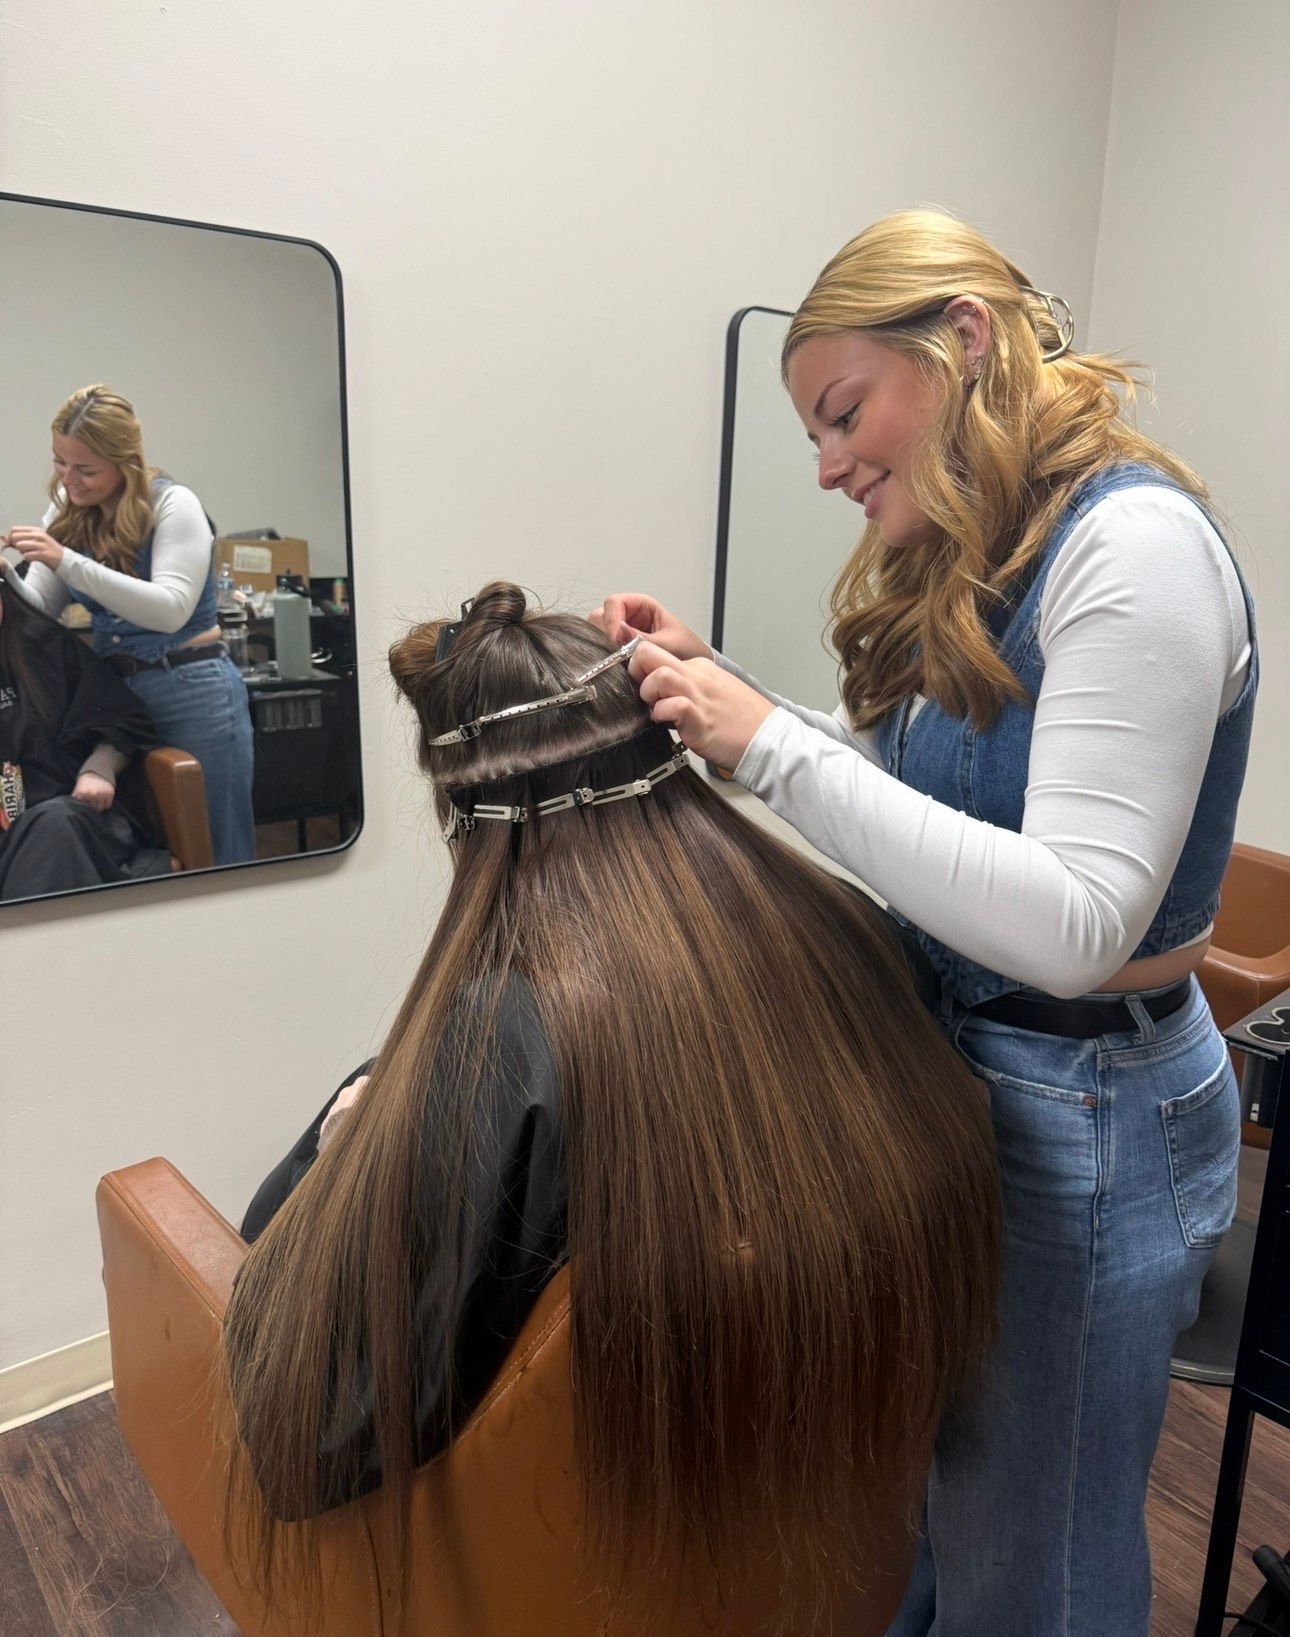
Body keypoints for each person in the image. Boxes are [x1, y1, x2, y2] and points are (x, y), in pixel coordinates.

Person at [593, 208, 1259, 1637]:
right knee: (945, 1500)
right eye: (814, 437)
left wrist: (766, 741)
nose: (828, 465)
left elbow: (1079, 920)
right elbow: (923, 782)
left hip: (1090, 1111)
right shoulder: (979, 553)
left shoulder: (1132, 551)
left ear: (960, 340)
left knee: (1036, 1558)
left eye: (842, 414)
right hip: (956, 1074)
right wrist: (734, 689)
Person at [220, 582, 1001, 1635]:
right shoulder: (837, 923)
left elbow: (312, 1433)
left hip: (569, 1560)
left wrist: (342, 1146)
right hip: (821, 1550)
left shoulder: (503, 1042)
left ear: (467, 811)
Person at [2, 384, 255, 866]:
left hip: (191, 691)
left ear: (126, 461)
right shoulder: (67, 509)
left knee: (216, 846)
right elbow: (38, 607)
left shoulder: (173, 505)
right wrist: (7, 575)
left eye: (86, 469)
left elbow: (170, 609)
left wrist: (65, 560)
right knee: (141, 844)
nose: (68, 481)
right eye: (60, 462)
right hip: (115, 699)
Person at [0, 568, 169, 900]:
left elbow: (122, 718)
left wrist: (100, 767)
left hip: (66, 820)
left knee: (54, 825)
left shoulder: (45, 647)